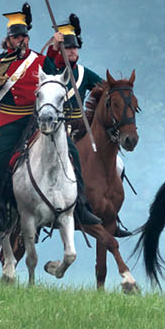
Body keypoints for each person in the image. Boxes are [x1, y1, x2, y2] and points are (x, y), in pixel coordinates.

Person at [0, 5, 102, 232]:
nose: (21, 40)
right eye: (16, 37)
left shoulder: (38, 59)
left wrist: (55, 48)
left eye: (24, 36)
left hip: (37, 119)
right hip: (10, 120)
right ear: (9, 40)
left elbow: (55, 75)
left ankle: (81, 205)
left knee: (72, 153)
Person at [42, 14, 106, 227]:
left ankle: (111, 210)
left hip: (80, 127)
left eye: (75, 48)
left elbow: (105, 90)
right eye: (68, 48)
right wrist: (52, 48)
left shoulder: (84, 73)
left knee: (112, 161)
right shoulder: (52, 70)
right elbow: (46, 69)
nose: (72, 52)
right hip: (55, 127)